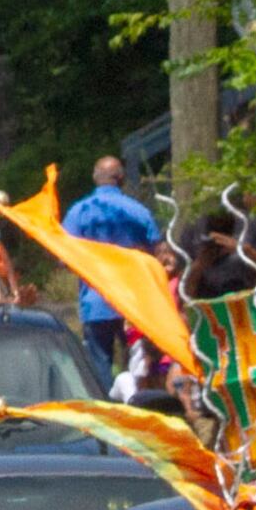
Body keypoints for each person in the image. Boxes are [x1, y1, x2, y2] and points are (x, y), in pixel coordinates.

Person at [61, 159, 160, 371]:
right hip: (134, 301)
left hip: (96, 300)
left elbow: (64, 259)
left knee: (99, 367)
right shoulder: (138, 211)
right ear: (121, 178)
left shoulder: (79, 212)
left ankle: (105, 401)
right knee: (139, 365)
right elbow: (157, 256)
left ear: (95, 178)